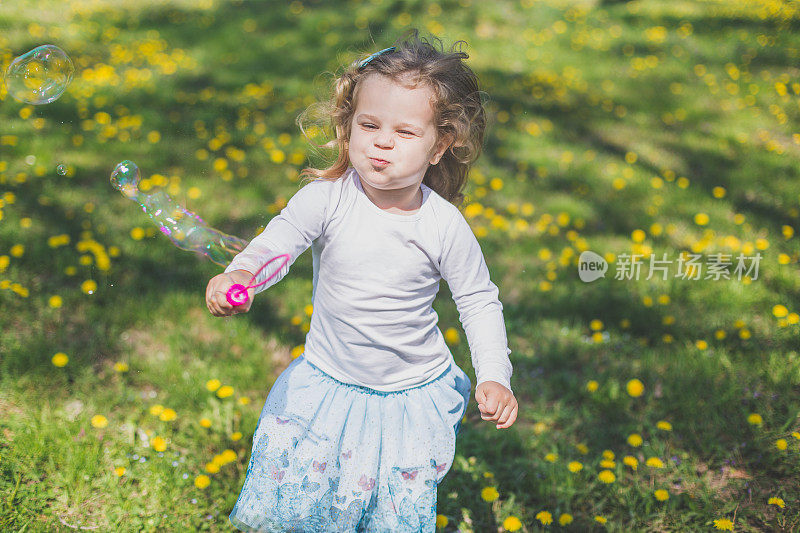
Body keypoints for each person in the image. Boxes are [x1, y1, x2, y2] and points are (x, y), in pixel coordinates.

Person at [205, 28, 518, 533]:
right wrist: (242, 273)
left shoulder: (441, 225)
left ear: (440, 147)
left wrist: (494, 376)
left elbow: (479, 301)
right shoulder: (327, 200)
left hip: (407, 396)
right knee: (309, 506)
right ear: (347, 126)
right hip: (329, 381)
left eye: (405, 132)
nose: (383, 142)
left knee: (388, 514)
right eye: (369, 124)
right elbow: (278, 244)